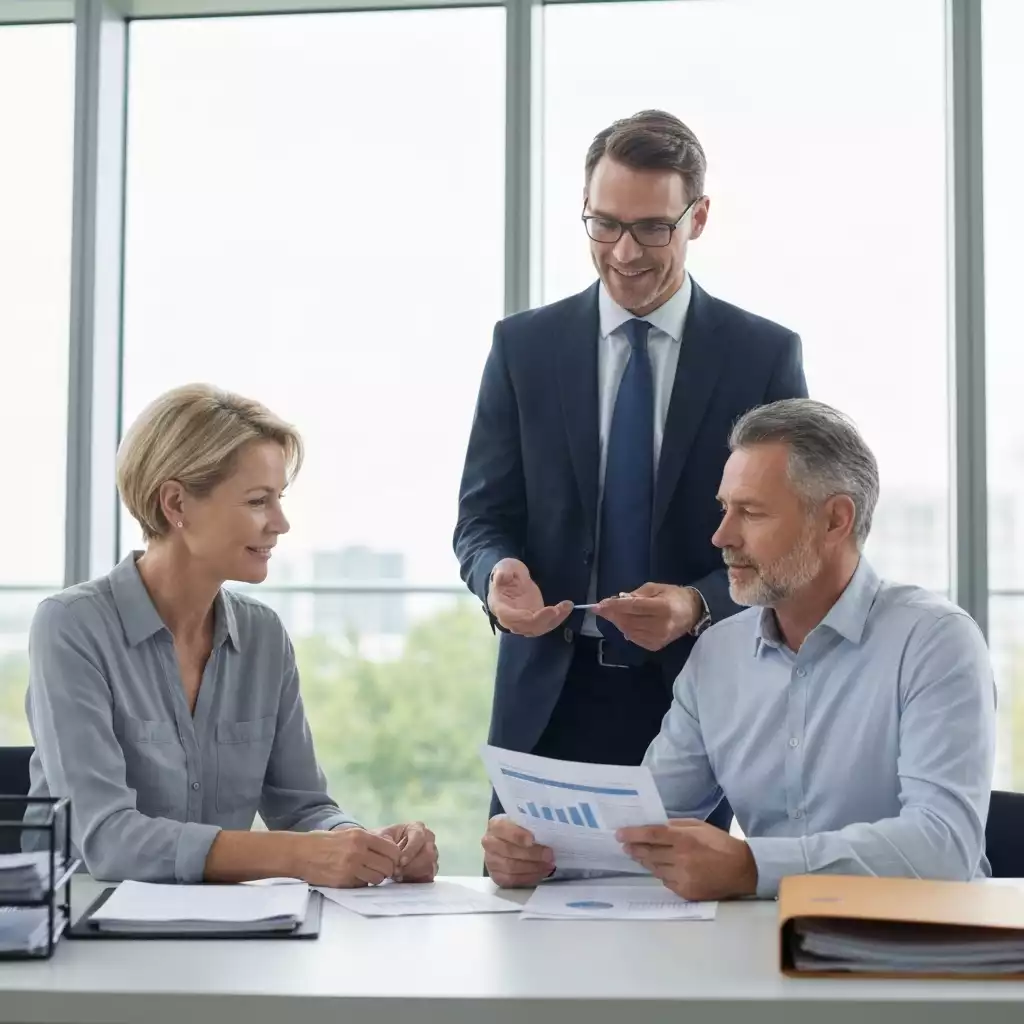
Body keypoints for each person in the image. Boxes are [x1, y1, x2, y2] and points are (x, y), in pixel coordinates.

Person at [481, 399, 996, 897]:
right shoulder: (718, 654)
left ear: (836, 520)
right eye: (725, 508)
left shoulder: (935, 642)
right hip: (770, 951)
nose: (721, 536)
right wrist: (542, 854)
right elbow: (643, 827)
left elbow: (943, 847)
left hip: (926, 956)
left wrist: (753, 866)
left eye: (750, 512)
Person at [455, 110, 807, 817]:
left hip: (697, 696)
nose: (624, 252)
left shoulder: (760, 355)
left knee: (683, 919)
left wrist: (697, 603)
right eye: (603, 224)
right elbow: (482, 518)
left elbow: (789, 539)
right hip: (546, 700)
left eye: (652, 227)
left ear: (697, 217)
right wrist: (496, 575)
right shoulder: (524, 349)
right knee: (523, 915)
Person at [24, 384, 439, 885]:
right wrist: (298, 856)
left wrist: (367, 845)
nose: (281, 523)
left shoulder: (263, 636)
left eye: (278, 499)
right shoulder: (71, 626)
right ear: (177, 503)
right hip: (84, 935)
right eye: (258, 501)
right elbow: (105, 839)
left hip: (225, 936)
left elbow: (303, 809)